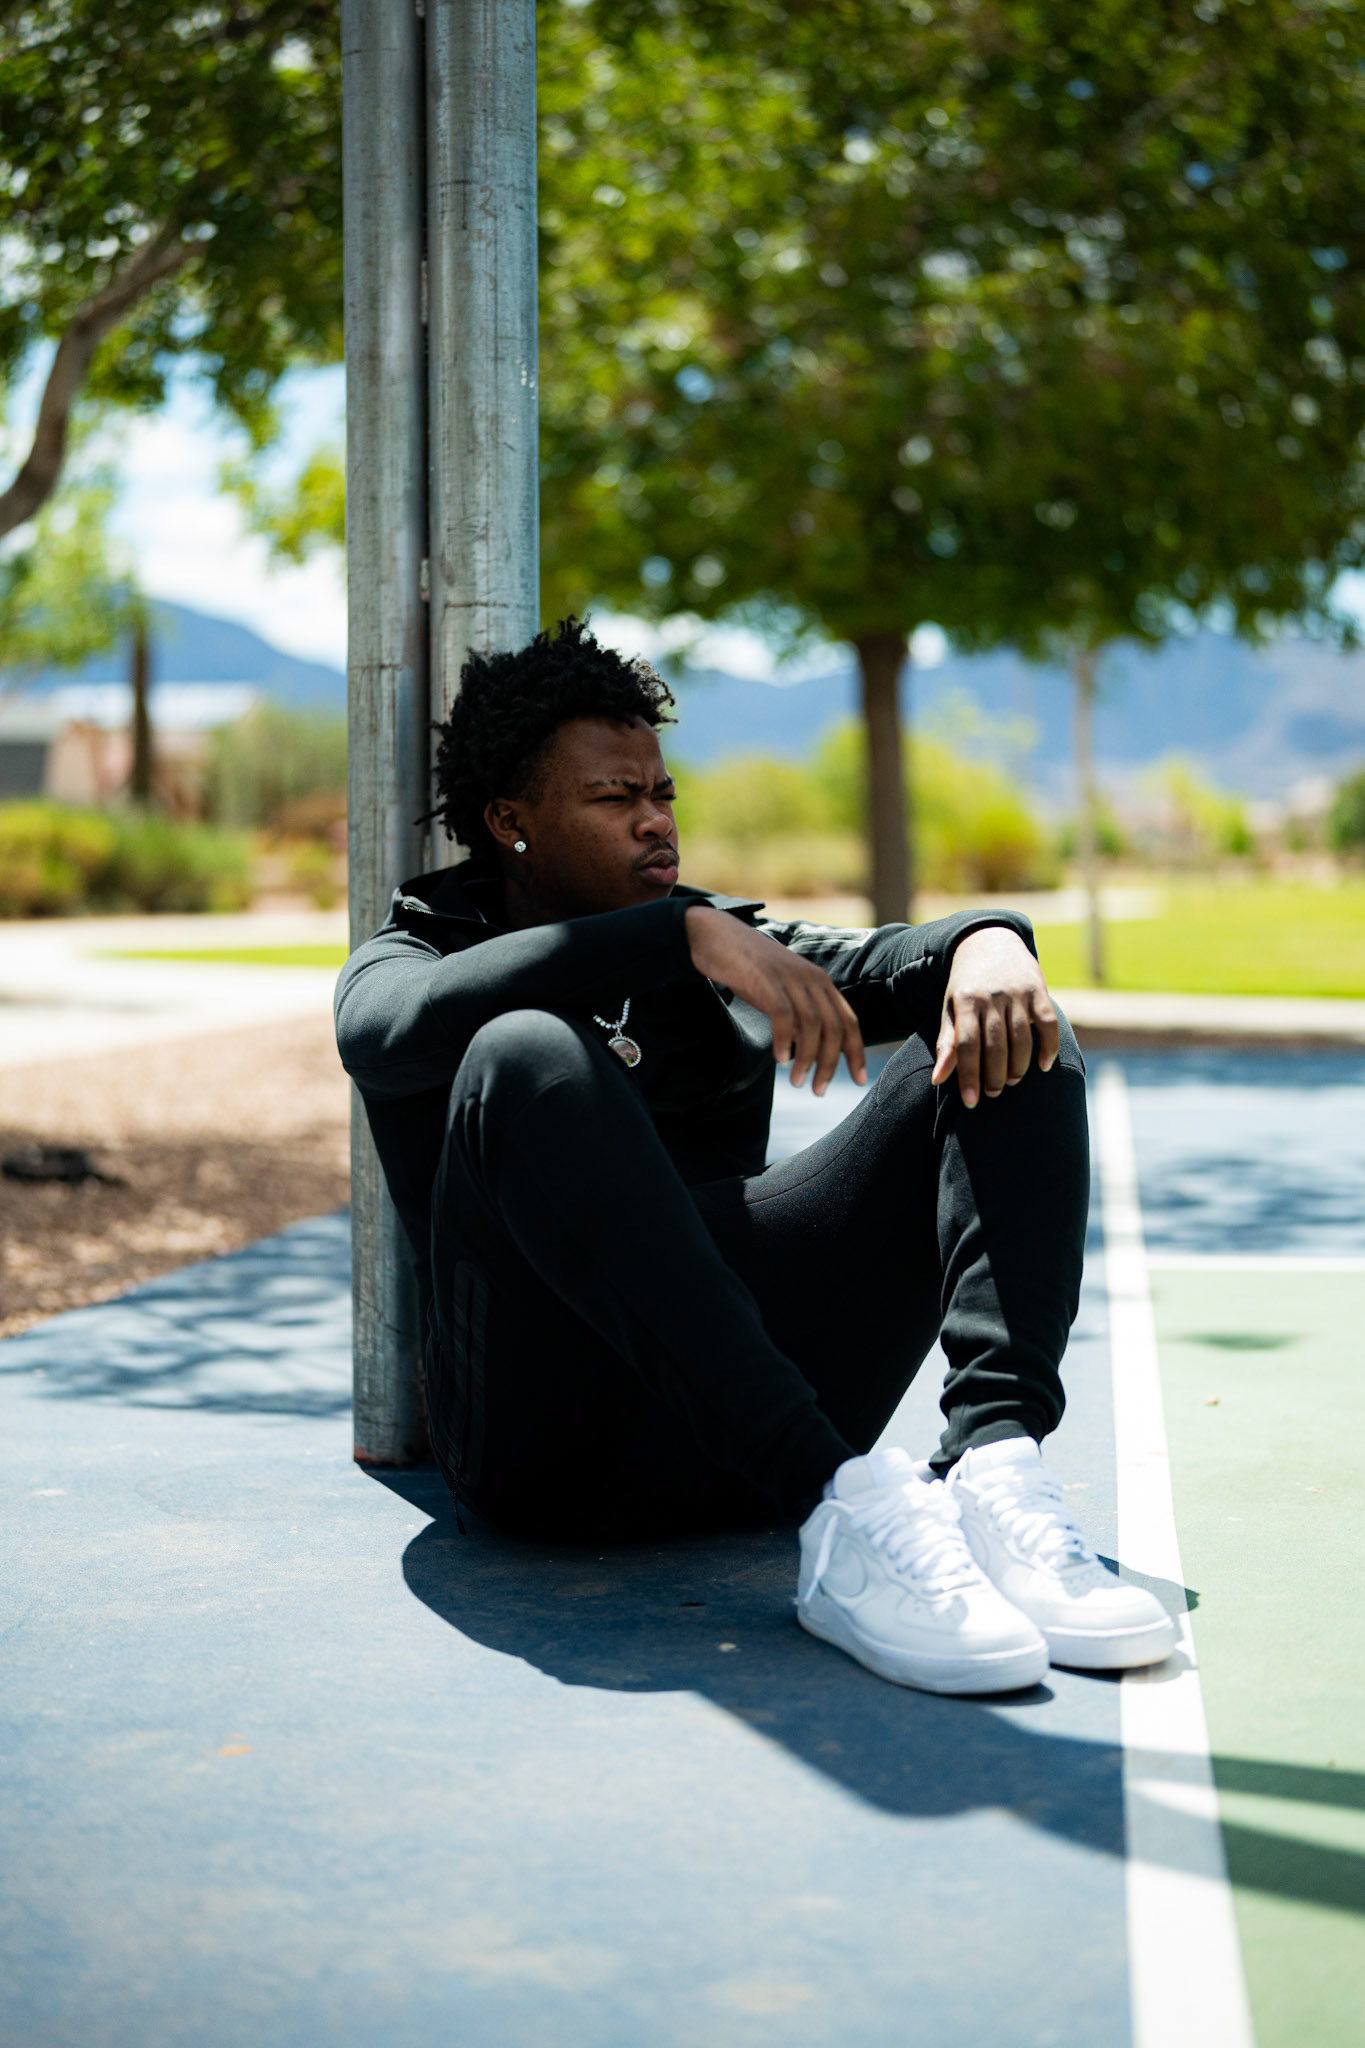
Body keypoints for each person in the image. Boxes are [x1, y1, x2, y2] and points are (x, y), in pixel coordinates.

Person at [336, 617, 1174, 1696]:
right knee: (526, 1052)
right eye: (614, 798)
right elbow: (383, 1033)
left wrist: (988, 940)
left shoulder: (710, 941)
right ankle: (844, 1512)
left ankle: (992, 1466)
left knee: (1007, 1032)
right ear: (510, 821)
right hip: (554, 1460)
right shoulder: (419, 953)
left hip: (757, 1440)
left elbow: (891, 964)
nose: (655, 821)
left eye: (662, 792)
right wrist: (674, 934)